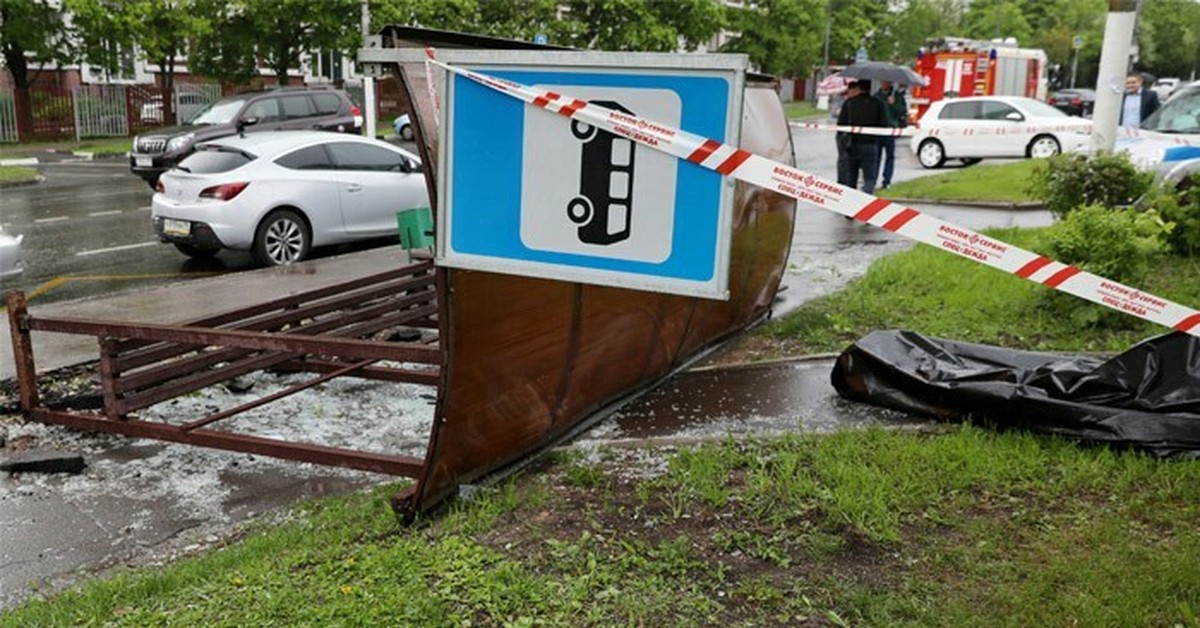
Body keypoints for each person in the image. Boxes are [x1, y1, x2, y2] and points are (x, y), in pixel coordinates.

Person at [836, 80, 888, 194]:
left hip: (852, 145)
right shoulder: (878, 103)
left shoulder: (849, 103)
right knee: (869, 178)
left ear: (858, 88)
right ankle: (866, 202)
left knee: (851, 179)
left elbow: (840, 125)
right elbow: (884, 125)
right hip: (870, 145)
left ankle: (850, 205)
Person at [873, 80, 908, 190]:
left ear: (890, 83)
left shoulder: (897, 96)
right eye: (882, 82)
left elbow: (903, 111)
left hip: (890, 130)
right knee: (875, 157)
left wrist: (894, 104)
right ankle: (872, 179)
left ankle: (886, 180)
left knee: (890, 156)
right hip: (878, 130)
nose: (883, 84)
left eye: (886, 82)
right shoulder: (876, 96)